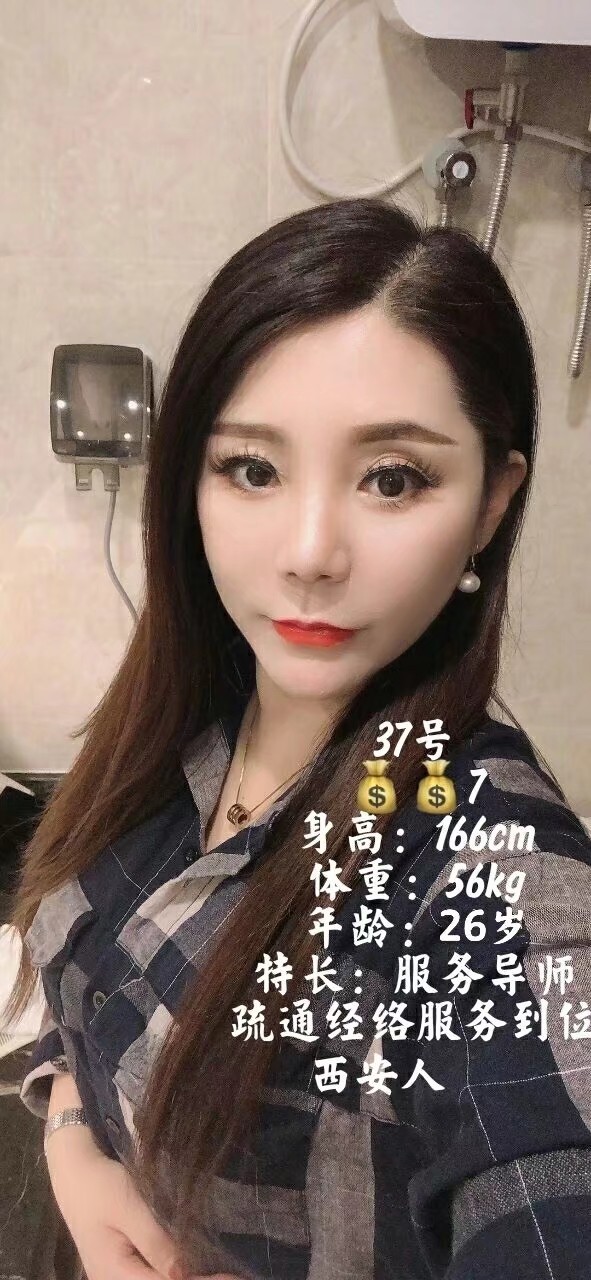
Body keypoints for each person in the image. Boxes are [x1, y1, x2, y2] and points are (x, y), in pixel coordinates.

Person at [6, 196, 591, 1280]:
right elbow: (78, 973)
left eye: (392, 478)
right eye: (253, 469)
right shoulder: (182, 718)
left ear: (490, 503)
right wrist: (73, 1134)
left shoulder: (496, 872)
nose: (310, 552)